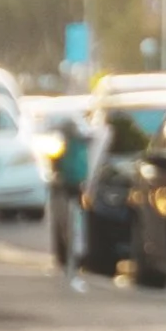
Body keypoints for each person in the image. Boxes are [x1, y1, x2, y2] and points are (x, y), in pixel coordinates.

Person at [48, 109, 93, 281]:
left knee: (71, 221)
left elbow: (59, 168)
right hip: (74, 186)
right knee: (72, 221)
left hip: (72, 186)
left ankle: (72, 255)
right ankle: (73, 255)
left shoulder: (75, 146)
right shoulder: (80, 145)